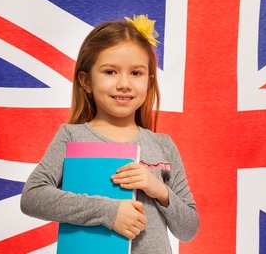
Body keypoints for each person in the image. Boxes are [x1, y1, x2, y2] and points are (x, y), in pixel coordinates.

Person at [20, 15, 199, 253]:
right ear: (86, 82)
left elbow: (189, 229)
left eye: (136, 73)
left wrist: (159, 190)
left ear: (149, 80)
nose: (124, 84)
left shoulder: (163, 145)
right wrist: (108, 211)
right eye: (110, 72)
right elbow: (32, 198)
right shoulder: (72, 137)